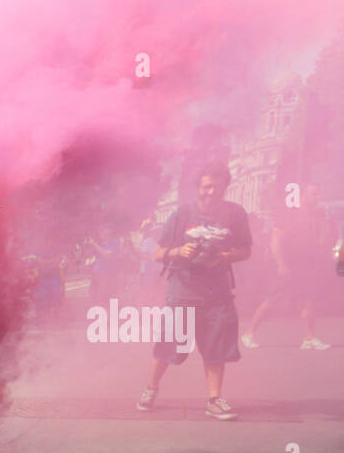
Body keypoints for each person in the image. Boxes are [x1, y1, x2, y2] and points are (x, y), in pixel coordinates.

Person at [136, 161, 252, 420]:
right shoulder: (182, 215)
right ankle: (151, 388)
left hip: (218, 293)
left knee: (216, 347)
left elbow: (246, 251)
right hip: (183, 291)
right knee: (169, 345)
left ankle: (214, 400)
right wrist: (180, 251)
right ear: (198, 187)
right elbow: (157, 253)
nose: (211, 192)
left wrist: (224, 255)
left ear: (225, 187)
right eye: (206, 187)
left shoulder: (235, 214)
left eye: (217, 187)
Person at [245, 184, 332, 350]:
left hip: (307, 265)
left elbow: (321, 235)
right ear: (303, 195)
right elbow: (275, 240)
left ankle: (309, 337)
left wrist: (320, 250)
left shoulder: (317, 215)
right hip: (289, 264)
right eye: (314, 194)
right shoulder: (290, 214)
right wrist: (281, 264)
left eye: (319, 194)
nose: (318, 198)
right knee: (273, 299)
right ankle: (248, 333)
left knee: (309, 299)